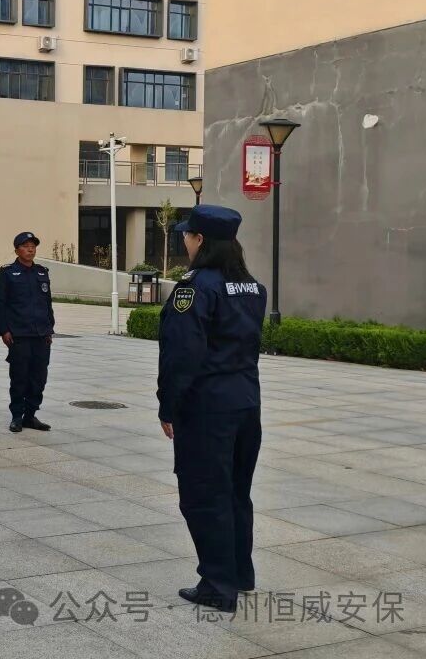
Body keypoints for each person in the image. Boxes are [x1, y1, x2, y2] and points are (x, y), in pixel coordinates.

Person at [158, 205, 266, 613]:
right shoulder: (252, 288)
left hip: (207, 408)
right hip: (246, 404)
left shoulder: (196, 288)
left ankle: (218, 585)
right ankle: (239, 572)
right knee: (236, 491)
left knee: (204, 494)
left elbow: (182, 355)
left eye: (187, 235)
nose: (185, 240)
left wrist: (168, 406)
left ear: (200, 239)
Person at [0, 231, 55, 433]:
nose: (30, 249)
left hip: (41, 334)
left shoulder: (42, 272)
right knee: (19, 377)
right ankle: (17, 416)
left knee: (39, 378)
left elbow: (47, 303)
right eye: (26, 246)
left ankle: (31, 415)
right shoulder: (7, 273)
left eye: (33, 246)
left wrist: (50, 328)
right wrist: (3, 330)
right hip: (19, 334)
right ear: (16, 250)